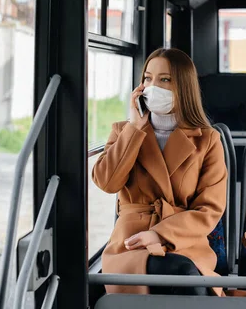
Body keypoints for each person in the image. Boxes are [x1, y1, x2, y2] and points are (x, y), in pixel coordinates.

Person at [92, 48, 227, 296]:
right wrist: (135, 128)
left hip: (184, 242)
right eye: (147, 78)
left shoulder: (207, 140)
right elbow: (106, 182)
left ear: (183, 87)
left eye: (165, 79)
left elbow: (210, 209)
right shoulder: (124, 131)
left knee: (184, 274)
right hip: (130, 243)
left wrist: (158, 234)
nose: (153, 86)